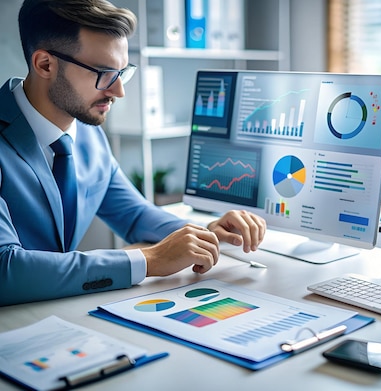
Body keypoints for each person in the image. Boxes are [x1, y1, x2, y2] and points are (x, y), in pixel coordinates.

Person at [0, 0, 266, 306]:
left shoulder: (87, 134)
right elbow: (5, 269)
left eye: (122, 72)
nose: (118, 91)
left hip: (57, 313)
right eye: (103, 73)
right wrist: (149, 260)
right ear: (45, 64)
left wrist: (206, 233)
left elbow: (135, 214)